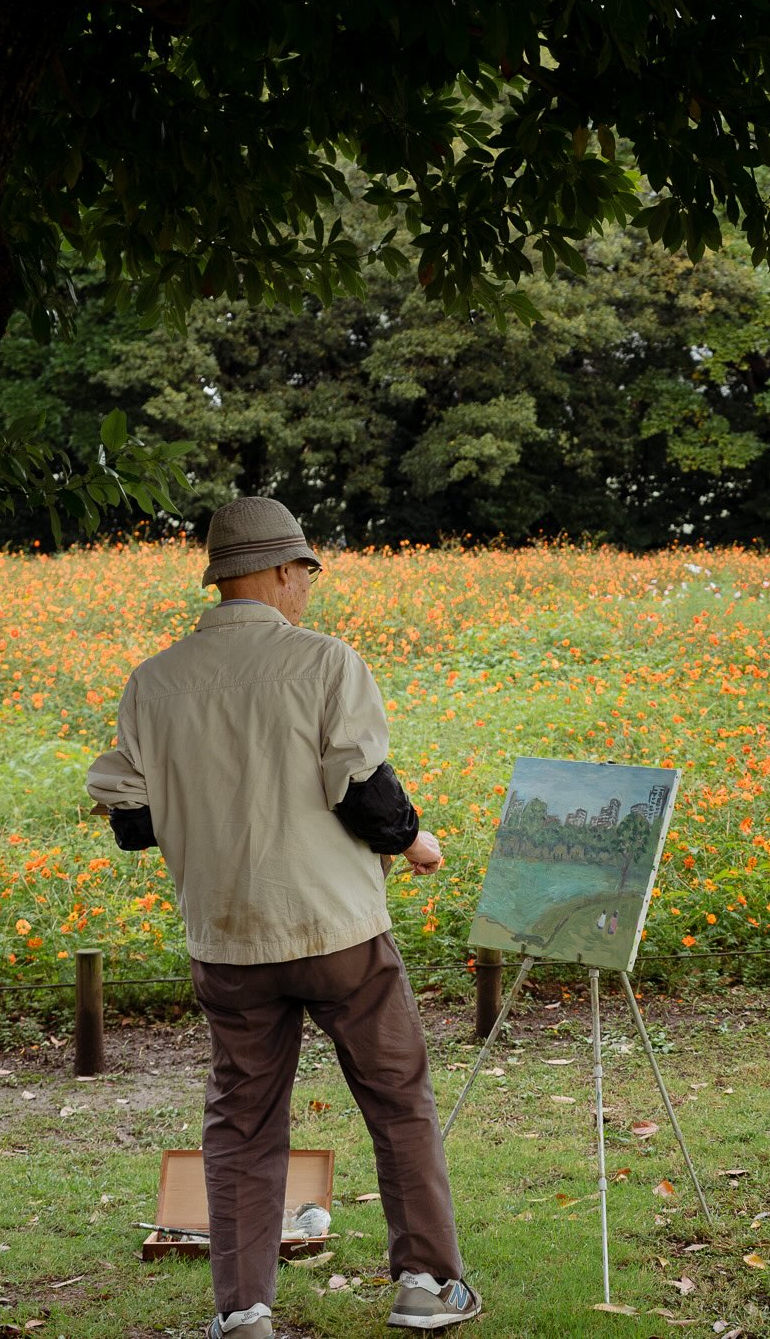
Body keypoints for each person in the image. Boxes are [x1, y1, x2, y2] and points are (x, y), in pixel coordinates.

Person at [87, 497, 481, 1337]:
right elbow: (364, 794)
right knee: (397, 1097)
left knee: (243, 1117)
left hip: (228, 940)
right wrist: (415, 841)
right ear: (272, 571)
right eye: (305, 570)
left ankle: (243, 1313)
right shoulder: (326, 664)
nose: (309, 585)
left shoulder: (154, 681)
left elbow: (130, 819)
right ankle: (424, 1282)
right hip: (338, 931)